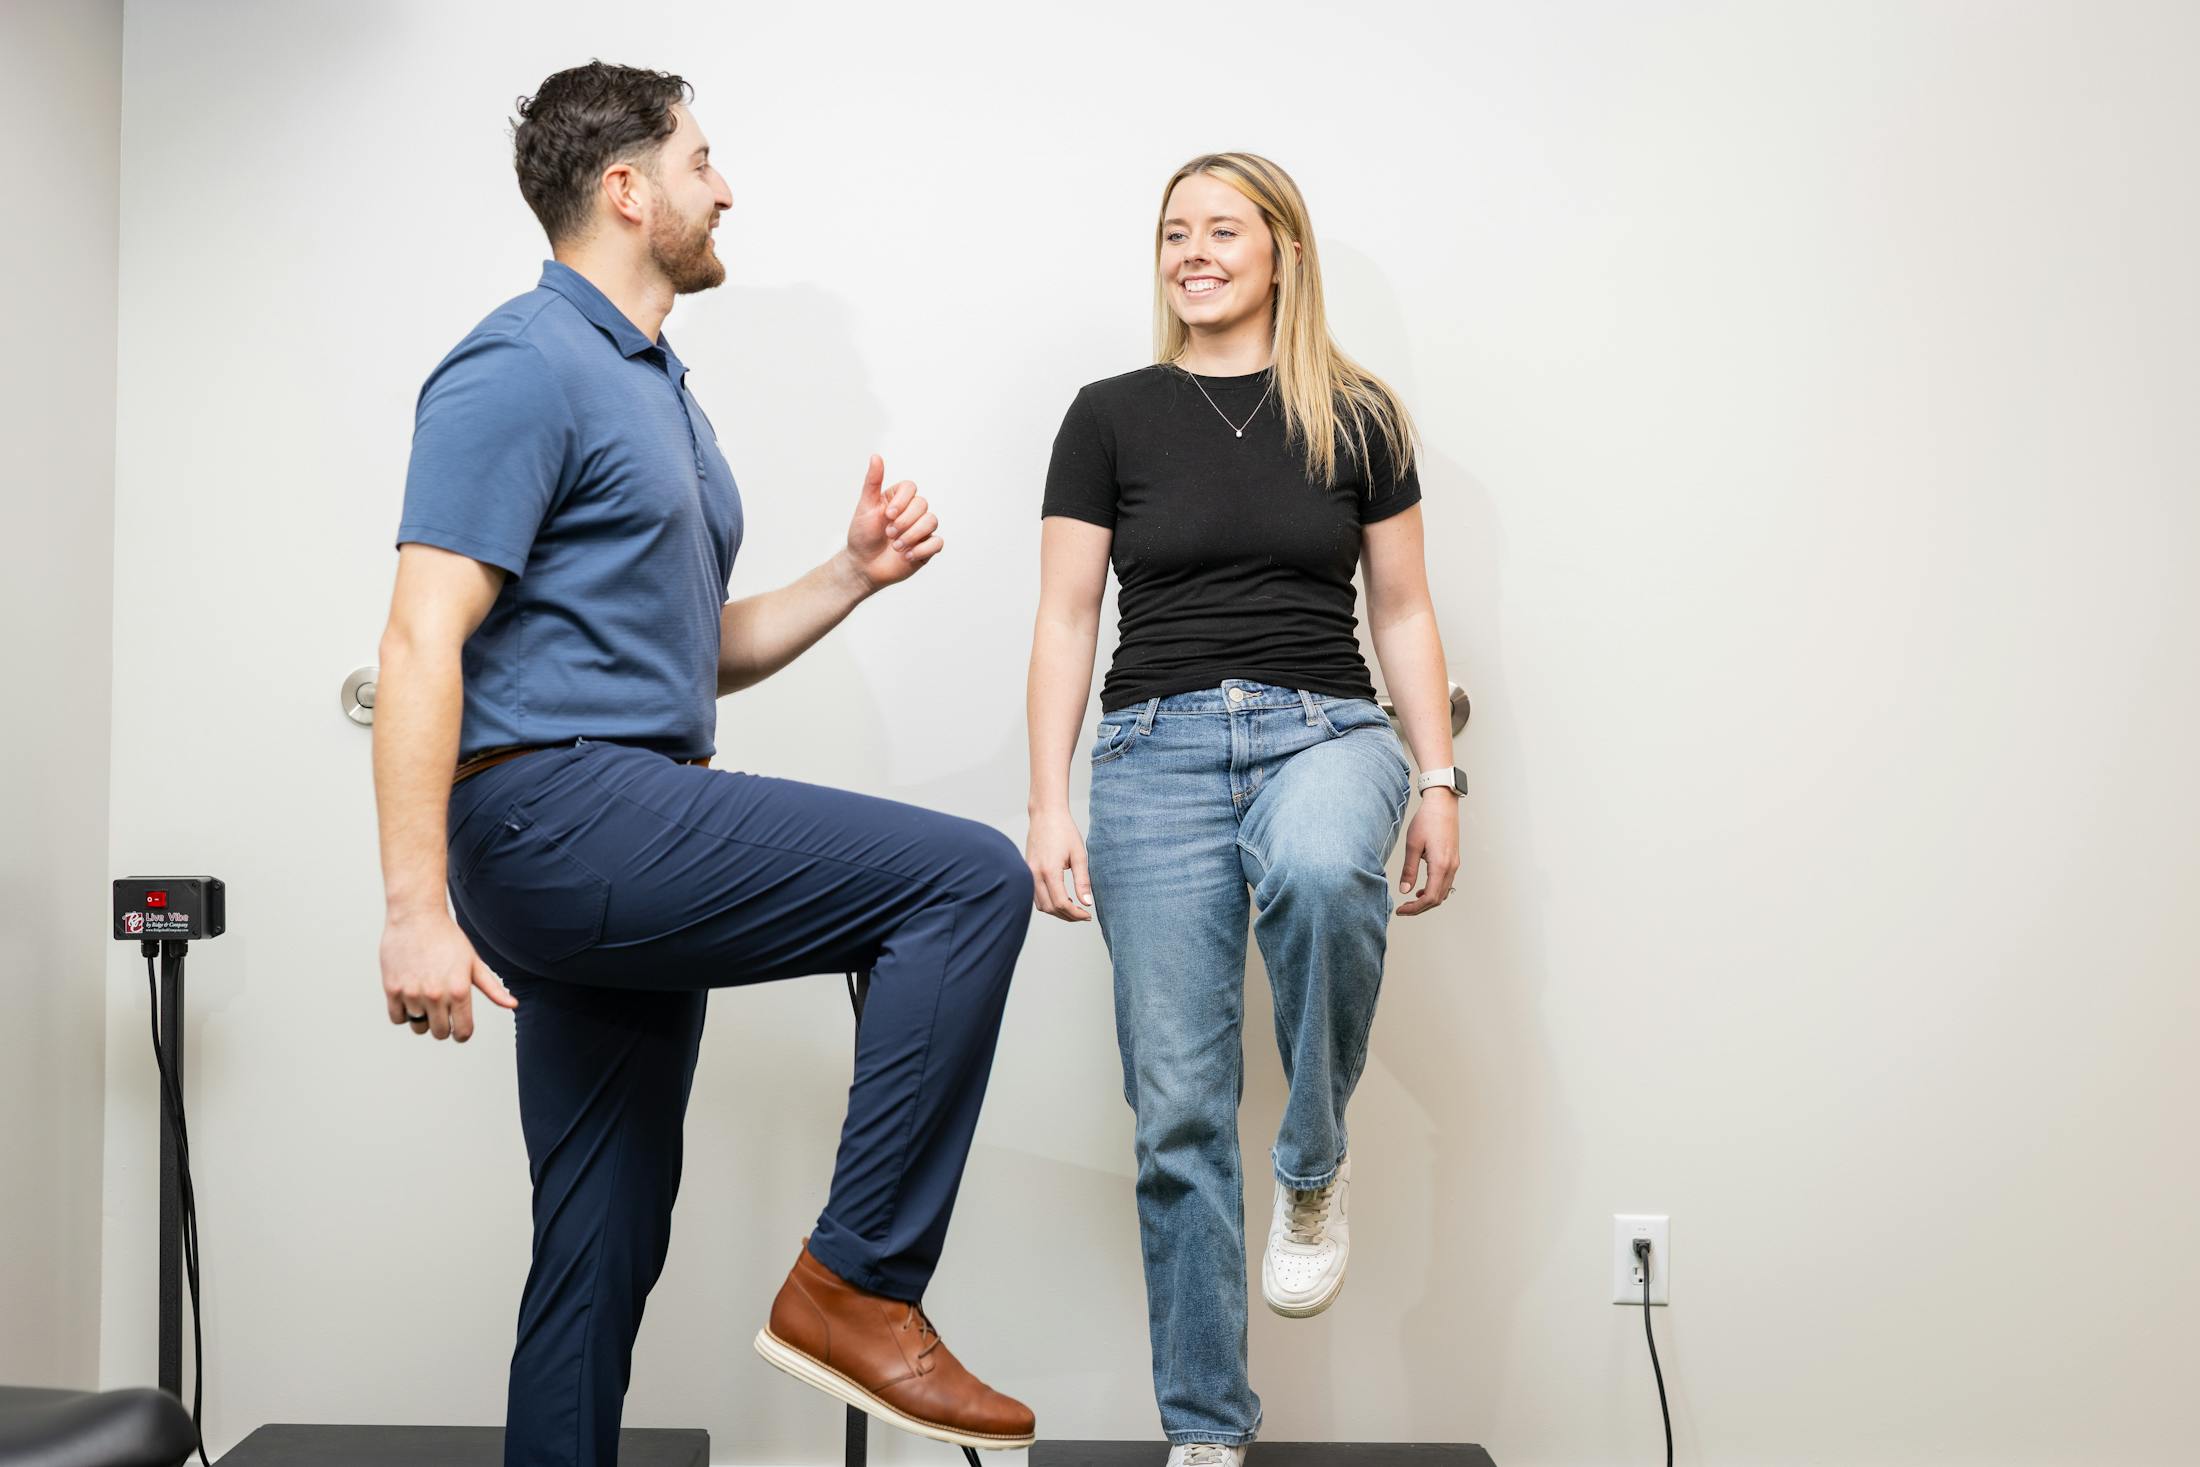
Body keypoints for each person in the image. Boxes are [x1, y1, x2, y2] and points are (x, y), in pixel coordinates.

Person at [373, 62, 1035, 1466]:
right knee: (967, 884)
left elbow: (691, 651)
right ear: (627, 191)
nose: (723, 186)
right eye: (701, 160)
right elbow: (425, 635)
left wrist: (849, 577)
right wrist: (412, 908)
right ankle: (859, 1285)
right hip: (561, 813)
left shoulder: (656, 385)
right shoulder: (520, 363)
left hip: (615, 813)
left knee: (601, 1246)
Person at [1024, 151, 1464, 1466]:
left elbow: (1403, 609)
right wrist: (1049, 802)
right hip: (1152, 750)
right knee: (1176, 1111)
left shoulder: (1359, 412)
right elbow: (1063, 618)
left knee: (1332, 877)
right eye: (1175, 233)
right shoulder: (1107, 415)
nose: (1195, 252)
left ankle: (1314, 1165)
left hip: (1322, 725)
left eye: (1224, 229)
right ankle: (1207, 1432)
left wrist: (1436, 777)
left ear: (1282, 251)